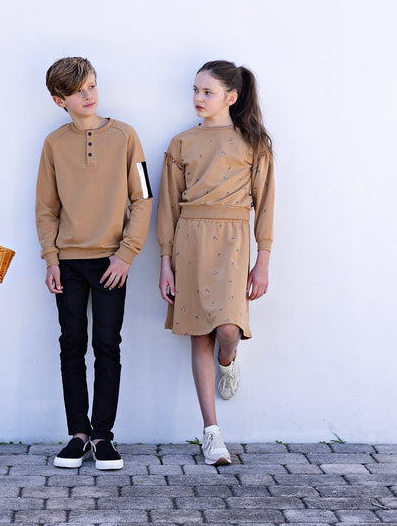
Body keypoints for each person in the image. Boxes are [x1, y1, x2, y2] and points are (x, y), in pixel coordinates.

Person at [35, 56, 153, 471]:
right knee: (71, 347)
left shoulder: (126, 136)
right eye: (78, 91)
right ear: (59, 100)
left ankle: (103, 437)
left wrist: (126, 254)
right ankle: (77, 435)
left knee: (107, 347)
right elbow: (46, 208)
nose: (88, 95)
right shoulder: (53, 144)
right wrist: (51, 259)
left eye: (92, 86)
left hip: (111, 262)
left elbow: (143, 198)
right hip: (68, 263)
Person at [157, 60, 275, 466]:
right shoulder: (180, 144)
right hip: (189, 241)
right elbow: (168, 207)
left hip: (233, 240)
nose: (198, 99)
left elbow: (265, 205)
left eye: (206, 92)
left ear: (231, 97)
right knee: (198, 335)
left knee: (228, 329)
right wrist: (164, 262)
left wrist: (263, 261)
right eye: (195, 90)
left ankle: (230, 359)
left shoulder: (254, 144)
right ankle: (212, 433)